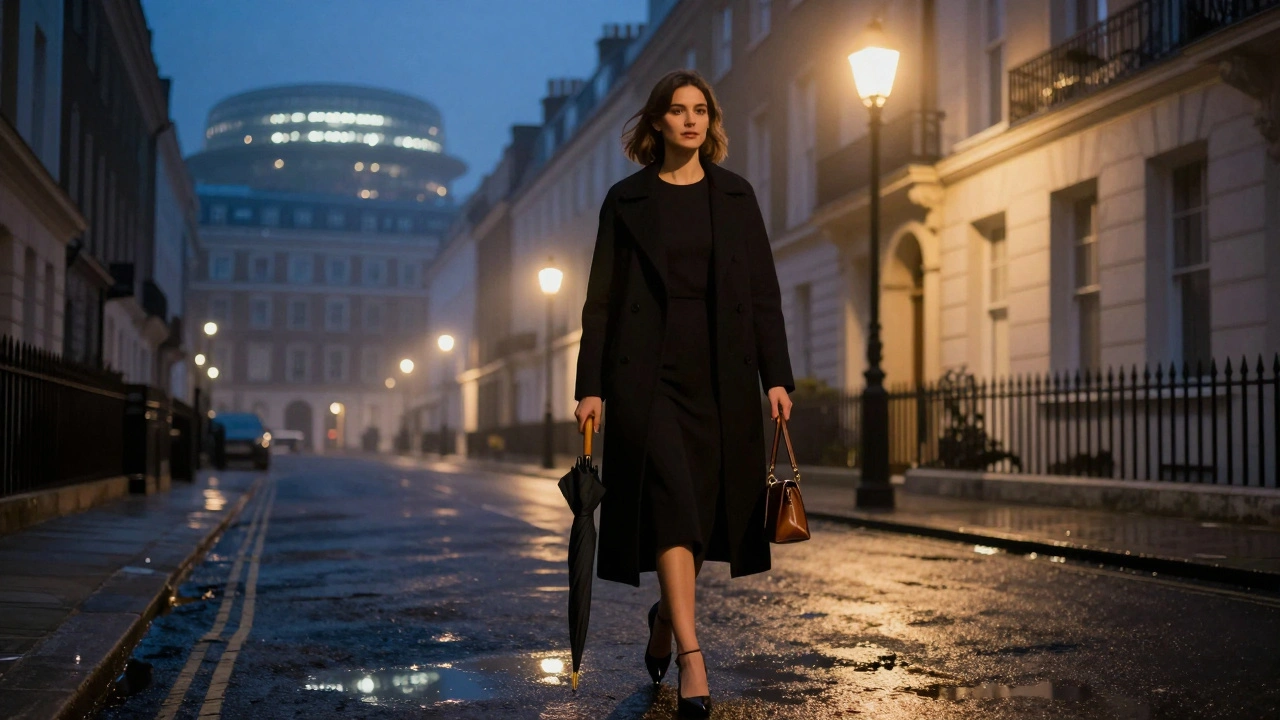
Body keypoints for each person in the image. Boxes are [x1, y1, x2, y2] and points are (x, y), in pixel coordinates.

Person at [573, 69, 794, 718]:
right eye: (677, 110)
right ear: (656, 124)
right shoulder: (625, 201)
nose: (691, 120)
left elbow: (762, 294)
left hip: (721, 375)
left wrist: (775, 376)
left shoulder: (735, 196)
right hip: (647, 378)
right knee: (671, 502)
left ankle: (667, 619)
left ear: (711, 122)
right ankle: (693, 656)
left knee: (699, 510)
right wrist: (590, 387)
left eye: (701, 110)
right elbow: (600, 304)